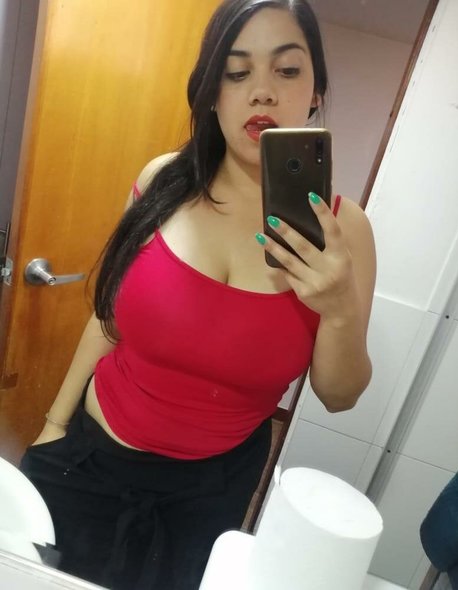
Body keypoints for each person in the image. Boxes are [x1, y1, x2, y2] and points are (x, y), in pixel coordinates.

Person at [20, 0, 376, 589]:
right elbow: (108, 319)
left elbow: (340, 397)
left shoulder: (346, 232)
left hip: (209, 495)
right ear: (212, 93)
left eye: (287, 70)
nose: (261, 91)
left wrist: (339, 308)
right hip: (88, 456)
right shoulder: (162, 181)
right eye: (236, 72)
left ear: (316, 90)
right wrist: (54, 425)